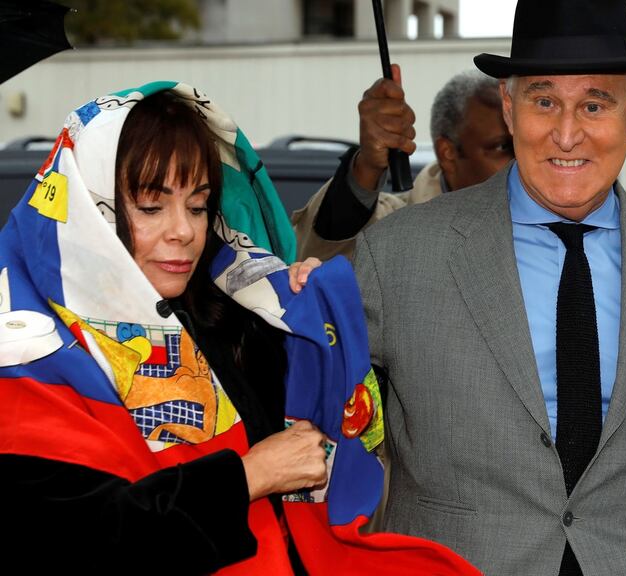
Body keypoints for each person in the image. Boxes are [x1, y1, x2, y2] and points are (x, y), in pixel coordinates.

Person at [0, 83, 477, 575]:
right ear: (89, 212)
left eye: (198, 205)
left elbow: (340, 437)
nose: (184, 230)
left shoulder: (227, 312)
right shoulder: (25, 356)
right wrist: (249, 476)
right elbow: (71, 540)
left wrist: (310, 325)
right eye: (151, 206)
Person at [351, 0, 626, 574]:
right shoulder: (396, 256)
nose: (566, 134)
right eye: (544, 101)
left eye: (594, 105)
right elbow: (329, 439)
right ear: (509, 108)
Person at [292, 68, 513, 261]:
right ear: (448, 154)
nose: (519, 159)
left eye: (523, 142)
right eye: (503, 147)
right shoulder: (391, 231)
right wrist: (367, 166)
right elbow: (322, 261)